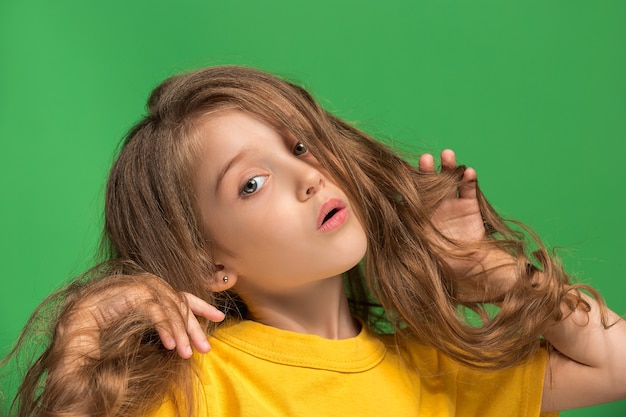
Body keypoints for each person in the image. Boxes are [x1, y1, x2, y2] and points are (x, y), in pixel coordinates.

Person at [2, 65, 625, 417]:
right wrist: (80, 351)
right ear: (208, 262)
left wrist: (490, 270)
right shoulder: (197, 388)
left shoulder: (435, 372)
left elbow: (615, 363)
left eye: (300, 147)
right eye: (251, 182)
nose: (308, 176)